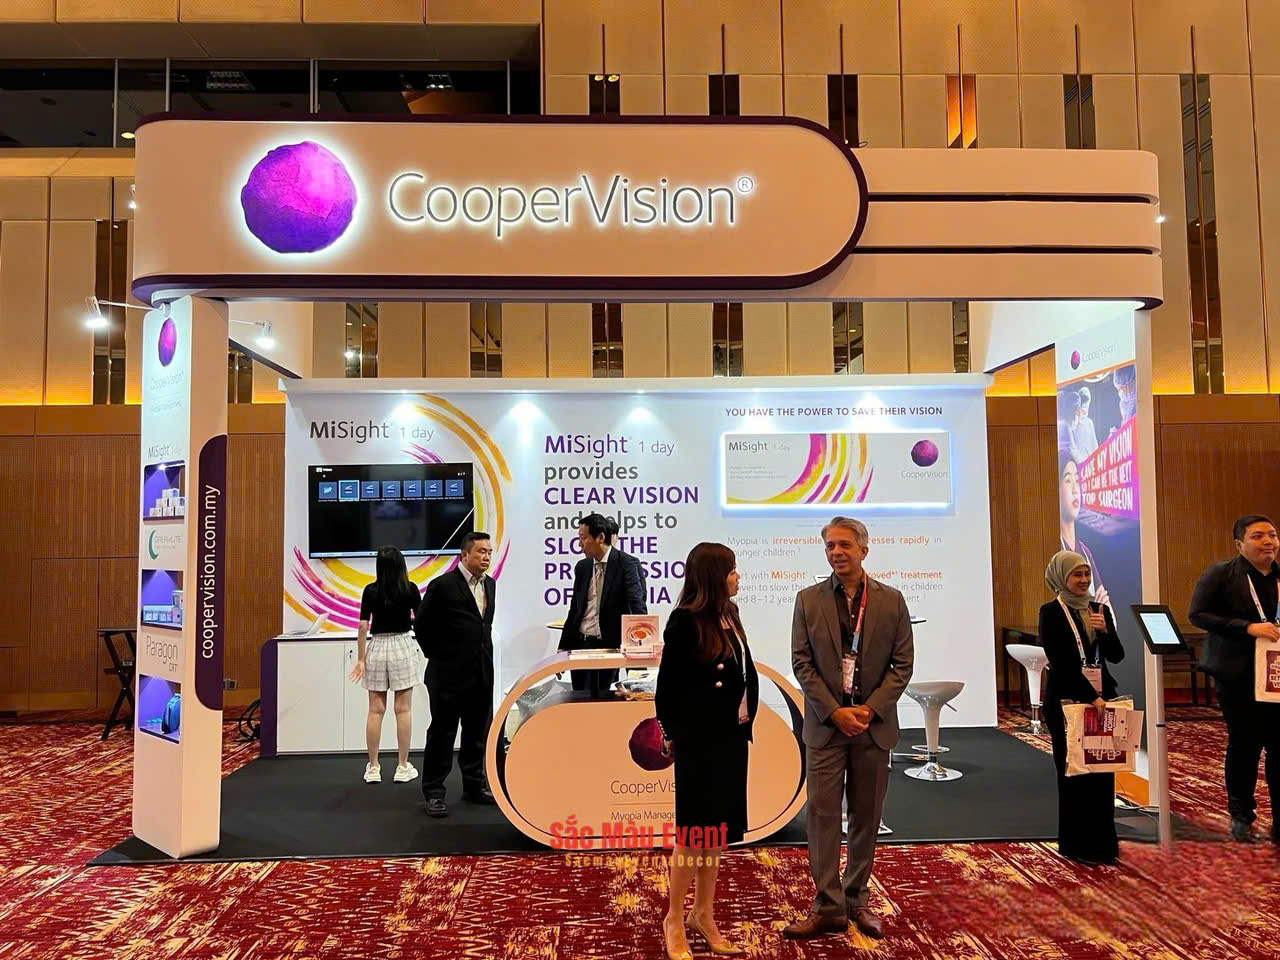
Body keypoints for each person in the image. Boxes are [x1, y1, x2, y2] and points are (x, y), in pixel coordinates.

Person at [783, 517, 913, 942]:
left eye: (844, 545)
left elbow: (902, 665)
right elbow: (801, 662)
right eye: (830, 546)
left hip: (872, 728)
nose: (837, 552)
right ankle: (828, 906)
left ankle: (856, 898)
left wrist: (870, 710)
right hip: (826, 727)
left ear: (863, 550)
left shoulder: (892, 601)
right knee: (822, 818)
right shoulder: (807, 600)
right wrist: (835, 711)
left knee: (866, 816)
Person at [655, 542, 757, 960]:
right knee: (693, 836)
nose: (737, 576)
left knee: (716, 836)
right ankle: (674, 919)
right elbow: (667, 688)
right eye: (732, 570)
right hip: (699, 741)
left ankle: (703, 913)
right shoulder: (684, 621)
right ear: (715, 576)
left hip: (731, 738)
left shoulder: (729, 614)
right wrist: (671, 733)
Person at [1188, 515, 1280, 844]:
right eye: (1258, 536)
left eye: (1272, 535)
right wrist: (1247, 628)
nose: (1268, 541)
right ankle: (1241, 815)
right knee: (1245, 746)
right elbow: (1197, 614)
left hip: (1276, 675)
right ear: (1239, 544)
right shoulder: (1221, 573)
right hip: (1238, 675)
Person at [1039, 550, 1125, 865]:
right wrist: (1092, 698)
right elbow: (1061, 663)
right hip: (1068, 702)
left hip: (1103, 700)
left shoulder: (1099, 609)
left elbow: (1116, 656)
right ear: (1061, 578)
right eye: (1077, 574)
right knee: (1074, 774)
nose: (1084, 580)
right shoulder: (1051, 612)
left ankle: (1103, 845)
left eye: (1087, 574)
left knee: (1102, 773)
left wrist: (1106, 632)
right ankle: (1077, 845)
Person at [414, 531, 497, 818]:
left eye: (489, 552)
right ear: (464, 555)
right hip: (447, 676)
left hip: (481, 673)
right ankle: (434, 792)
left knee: (476, 734)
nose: (486, 557)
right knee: (442, 734)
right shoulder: (442, 585)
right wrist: (440, 658)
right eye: (481, 552)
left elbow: (483, 627)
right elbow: (422, 626)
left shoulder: (490, 585)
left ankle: (474, 786)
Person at [349, 546, 422, 784]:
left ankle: (373, 768)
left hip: (377, 647)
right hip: (403, 645)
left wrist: (361, 659)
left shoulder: (370, 590)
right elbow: (420, 620)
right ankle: (402, 766)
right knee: (403, 709)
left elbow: (363, 626)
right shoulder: (410, 589)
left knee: (375, 710)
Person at [559, 512, 648, 695]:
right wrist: (563, 646)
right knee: (580, 697)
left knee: (603, 699)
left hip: (609, 647)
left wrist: (640, 649)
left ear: (600, 538)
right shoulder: (582, 567)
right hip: (581, 644)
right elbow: (575, 609)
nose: (579, 544)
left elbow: (637, 606)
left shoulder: (626, 564)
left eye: (583, 538)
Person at [1059, 459, 1110, 606]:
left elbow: (1106, 608)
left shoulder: (1085, 553)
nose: (1075, 489)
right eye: (1068, 481)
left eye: (1077, 480)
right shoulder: (1056, 551)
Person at [1066, 386, 1100, 463]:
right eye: (1081, 410)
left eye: (1085, 409)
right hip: (1078, 463)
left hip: (1090, 463)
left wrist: (1097, 461)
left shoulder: (1089, 422)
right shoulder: (1072, 424)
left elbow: (1094, 444)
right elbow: (1072, 448)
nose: (1083, 412)